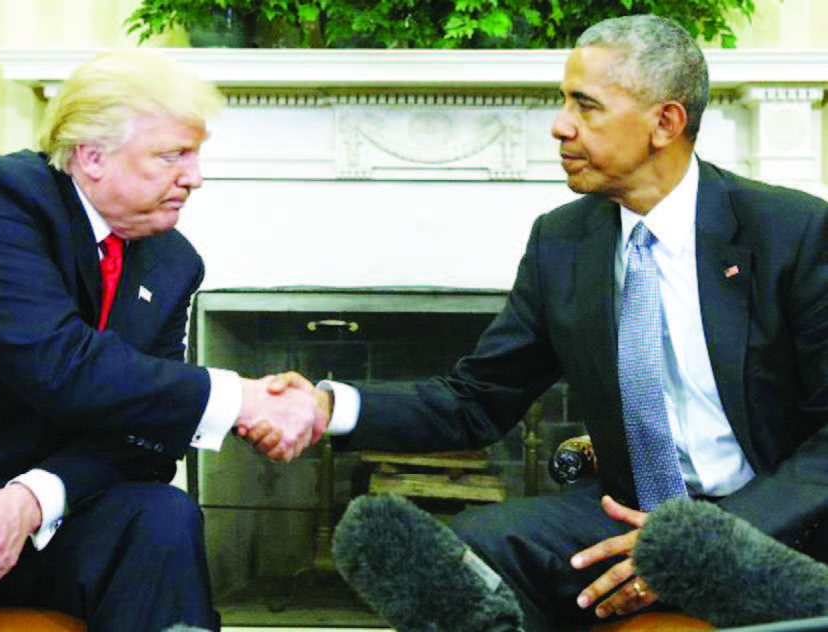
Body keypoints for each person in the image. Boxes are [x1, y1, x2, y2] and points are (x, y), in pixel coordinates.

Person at [244, 14, 828, 631]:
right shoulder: (562, 242)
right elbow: (476, 400)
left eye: (586, 106)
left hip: (769, 520)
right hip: (626, 511)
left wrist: (699, 547)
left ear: (665, 123)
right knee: (474, 550)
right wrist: (331, 407)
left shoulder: (792, 233)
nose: (559, 126)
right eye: (562, 102)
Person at [0, 49, 322, 632]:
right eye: (172, 156)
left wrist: (31, 500)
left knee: (159, 515)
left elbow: (148, 441)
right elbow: (63, 365)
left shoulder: (171, 261)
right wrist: (243, 398)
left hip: (38, 527)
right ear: (91, 155)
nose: (195, 177)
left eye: (195, 155)